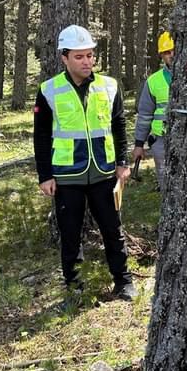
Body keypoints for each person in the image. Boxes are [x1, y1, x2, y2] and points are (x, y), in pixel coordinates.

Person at [33, 25, 137, 302]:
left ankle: (123, 281)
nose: (87, 61)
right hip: (67, 176)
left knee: (112, 230)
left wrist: (122, 162)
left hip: (104, 172)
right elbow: (41, 136)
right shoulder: (49, 90)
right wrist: (45, 175)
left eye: (90, 55)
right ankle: (75, 285)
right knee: (70, 234)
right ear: (64, 58)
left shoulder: (109, 85)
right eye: (79, 56)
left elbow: (118, 125)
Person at [133, 31, 174, 194]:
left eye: (173, 50)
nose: (171, 55)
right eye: (166, 52)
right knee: (166, 184)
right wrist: (138, 144)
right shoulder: (153, 81)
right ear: (161, 55)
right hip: (161, 141)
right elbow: (144, 116)